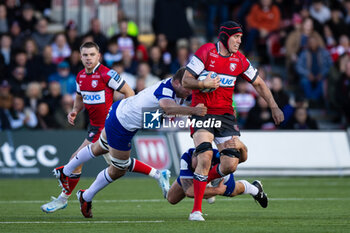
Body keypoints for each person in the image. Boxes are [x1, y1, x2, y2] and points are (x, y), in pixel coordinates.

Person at [182, 20, 284, 221]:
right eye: (236, 37)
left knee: (230, 164)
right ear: (225, 36)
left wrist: (273, 105)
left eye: (240, 38)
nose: (239, 41)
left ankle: (206, 181)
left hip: (226, 116)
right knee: (204, 157)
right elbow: (186, 80)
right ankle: (196, 211)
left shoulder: (239, 60)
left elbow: (259, 83)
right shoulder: (206, 52)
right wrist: (203, 83)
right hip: (202, 113)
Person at [73, 67, 207, 218]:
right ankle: (85, 195)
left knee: (99, 148)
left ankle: (68, 174)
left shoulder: (179, 90)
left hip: (123, 113)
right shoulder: (167, 89)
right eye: (187, 87)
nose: (190, 91)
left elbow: (159, 114)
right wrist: (193, 111)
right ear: (176, 83)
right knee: (118, 169)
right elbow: (167, 108)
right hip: (122, 123)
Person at [40, 41, 134, 213]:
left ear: (99, 56)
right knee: (120, 166)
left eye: (92, 54)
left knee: (75, 161)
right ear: (80, 56)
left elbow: (130, 93)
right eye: (85, 55)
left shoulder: (107, 74)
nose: (88, 58)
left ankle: (64, 199)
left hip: (106, 128)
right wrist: (75, 110)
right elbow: (79, 97)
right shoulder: (80, 76)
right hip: (94, 128)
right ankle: (157, 174)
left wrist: (118, 115)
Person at [167, 138, 267, 209]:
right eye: (195, 164)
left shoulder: (217, 155)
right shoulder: (186, 158)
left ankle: (254, 189)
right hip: (194, 179)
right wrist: (217, 190)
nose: (197, 166)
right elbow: (189, 192)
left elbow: (242, 159)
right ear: (194, 156)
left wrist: (242, 147)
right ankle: (208, 188)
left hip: (218, 177)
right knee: (172, 198)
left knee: (233, 191)